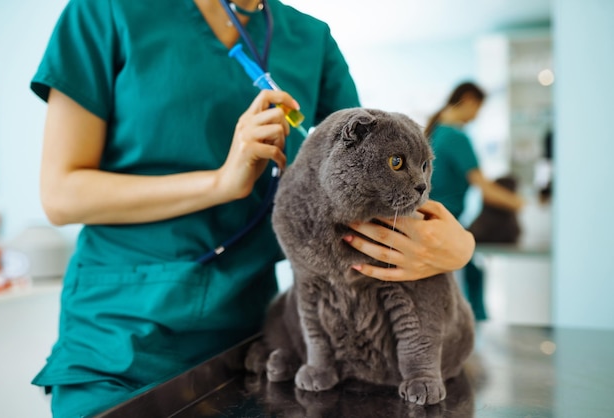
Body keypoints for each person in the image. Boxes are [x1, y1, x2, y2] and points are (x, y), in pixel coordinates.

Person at [31, 1, 476, 416]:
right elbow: (61, 194)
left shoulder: (309, 38)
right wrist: (222, 182)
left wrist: (456, 248)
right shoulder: (106, 12)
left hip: (252, 343)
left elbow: (370, 166)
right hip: (120, 338)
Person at [425, 81, 524, 321]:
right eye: (479, 109)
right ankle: (477, 324)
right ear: (469, 100)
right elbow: (486, 189)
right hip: (445, 221)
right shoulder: (456, 137)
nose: (477, 116)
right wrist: (521, 204)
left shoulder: (435, 132)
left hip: (430, 220)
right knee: (473, 274)